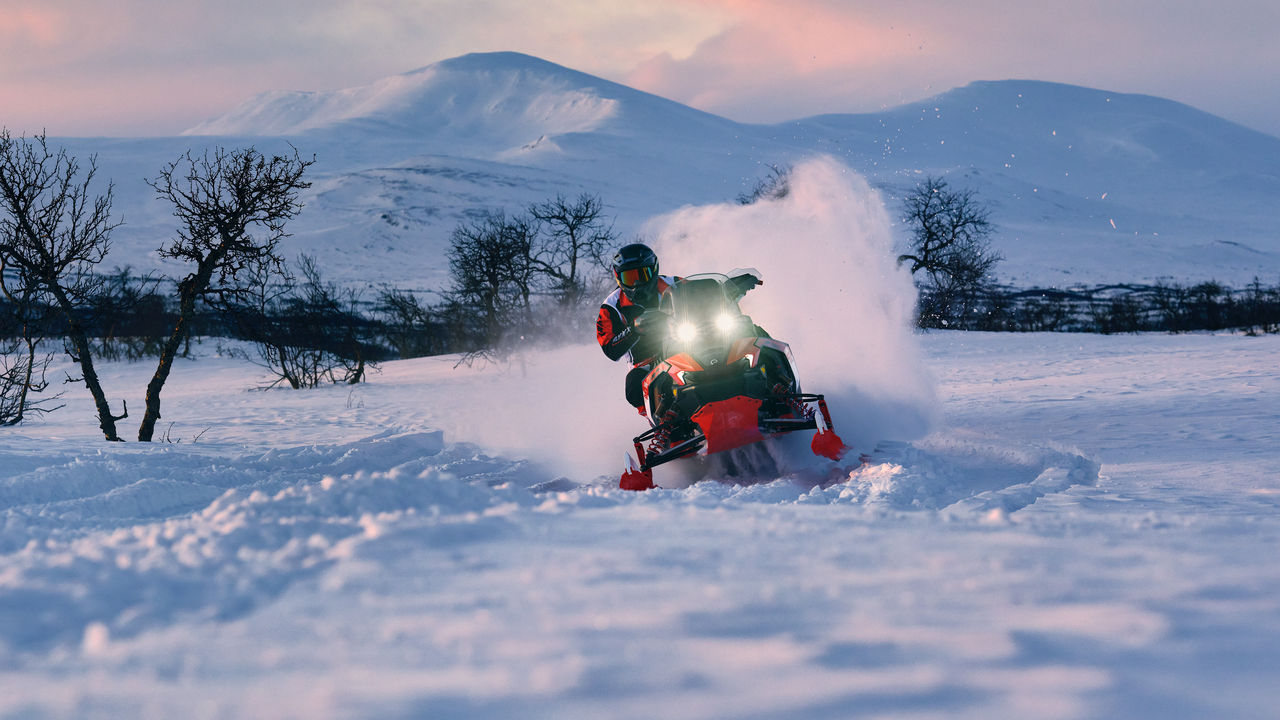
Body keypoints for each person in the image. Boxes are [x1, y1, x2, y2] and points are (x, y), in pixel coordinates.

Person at [596, 243, 680, 411]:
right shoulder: (611, 306)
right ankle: (665, 424)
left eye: (642, 275)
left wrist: (724, 288)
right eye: (629, 278)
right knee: (635, 385)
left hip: (686, 344)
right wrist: (634, 330)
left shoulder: (674, 284)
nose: (637, 283)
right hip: (647, 362)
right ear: (619, 278)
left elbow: (701, 291)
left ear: (654, 270)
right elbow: (609, 348)